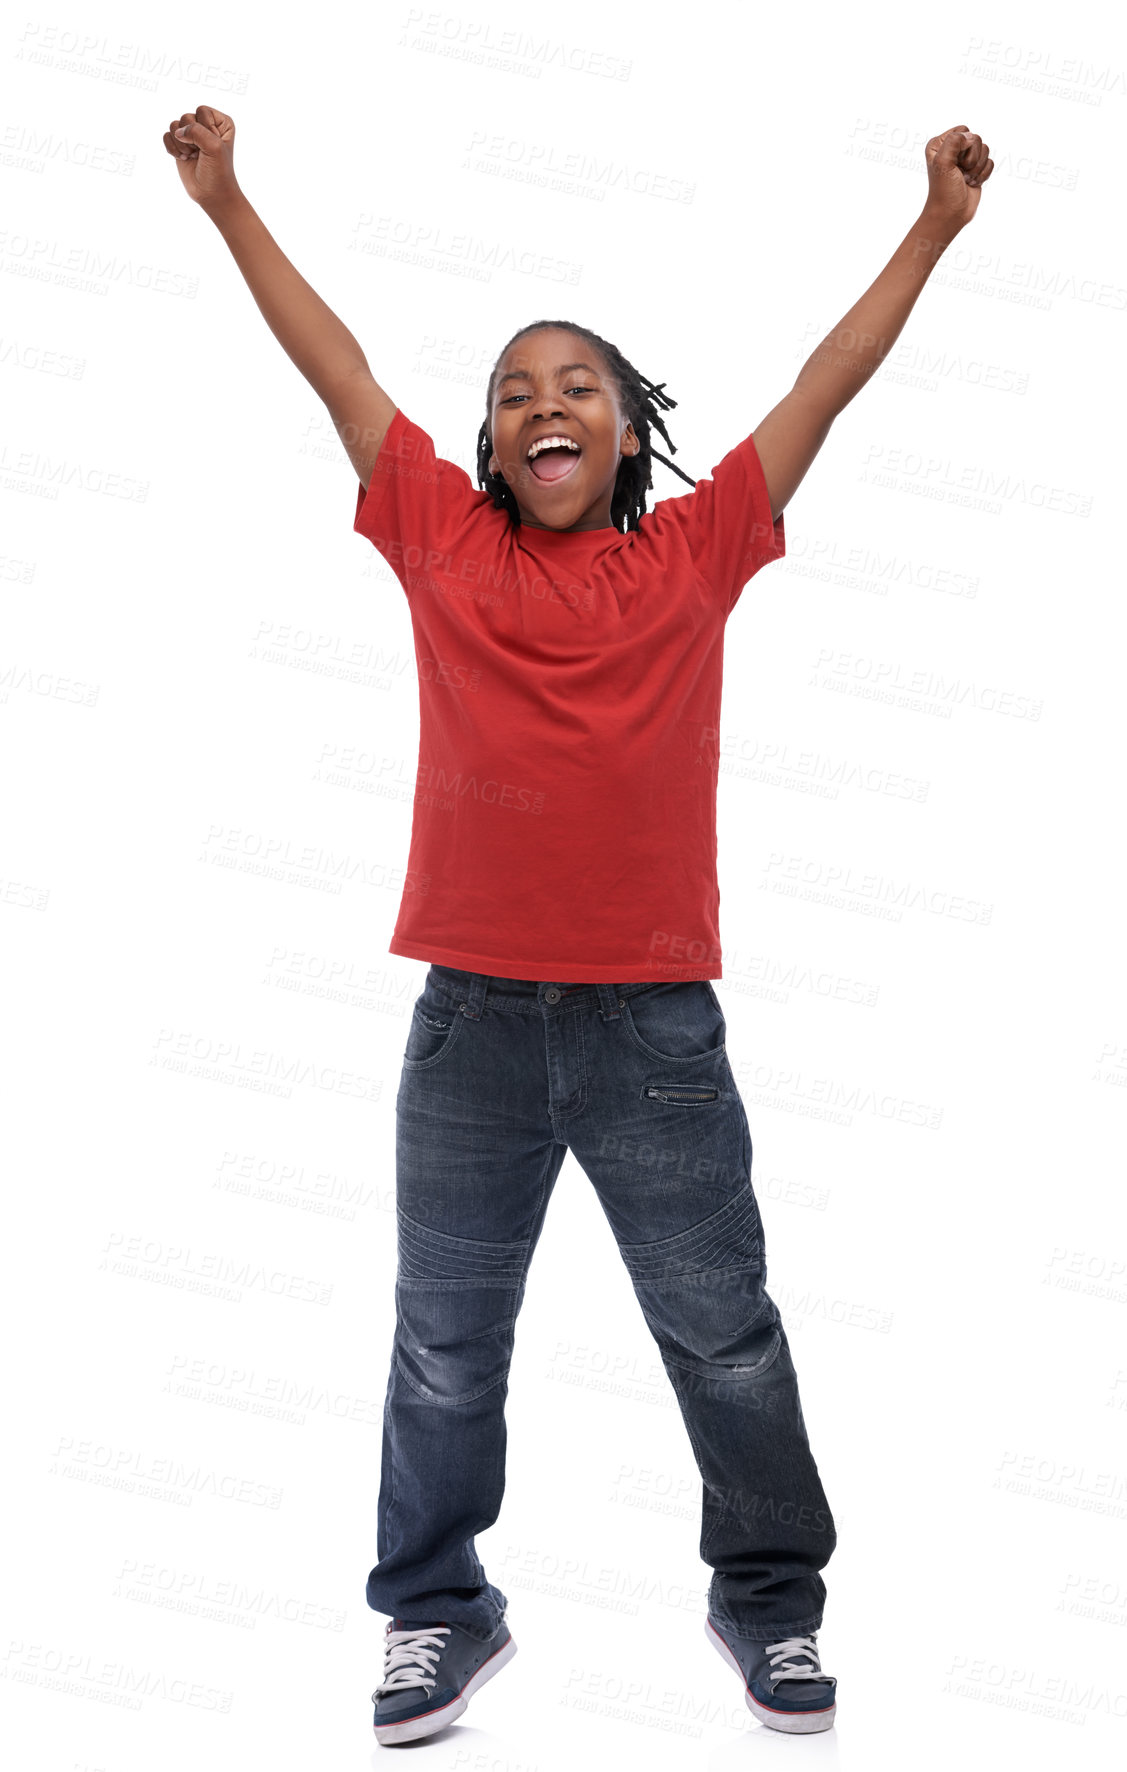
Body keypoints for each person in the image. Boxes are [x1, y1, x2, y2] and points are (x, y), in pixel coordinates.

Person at [163, 108, 993, 1744]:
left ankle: (769, 1600)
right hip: (471, 1024)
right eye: (514, 393)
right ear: (485, 452)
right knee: (444, 1343)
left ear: (627, 440)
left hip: (653, 1032)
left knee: (726, 1338)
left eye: (579, 389)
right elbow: (334, 369)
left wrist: (936, 229)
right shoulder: (439, 539)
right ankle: (436, 1612)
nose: (545, 405)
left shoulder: (697, 554)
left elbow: (824, 383)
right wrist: (228, 202)